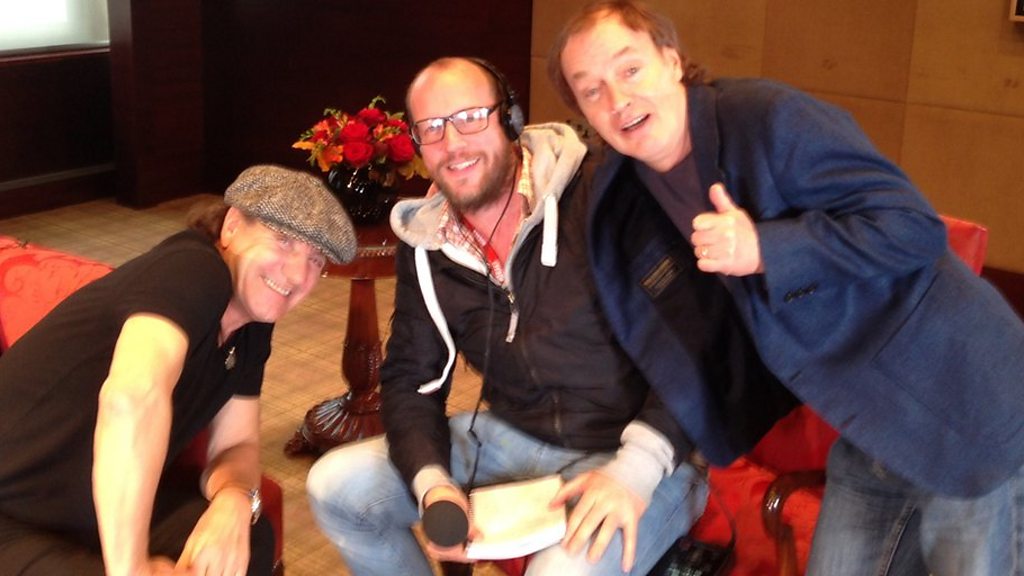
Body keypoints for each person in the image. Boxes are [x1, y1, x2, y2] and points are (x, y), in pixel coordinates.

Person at [548, 1, 1024, 574]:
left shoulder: (767, 117)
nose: (618, 99)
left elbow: (912, 228)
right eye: (591, 90)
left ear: (672, 61)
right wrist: (640, 463)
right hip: (868, 427)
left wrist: (765, 249)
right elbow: (699, 337)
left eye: (630, 69)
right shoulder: (632, 196)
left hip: (968, 408)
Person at [305, 57, 710, 576]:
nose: (453, 143)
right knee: (336, 486)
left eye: (470, 117)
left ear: (511, 119)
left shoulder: (604, 195)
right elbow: (410, 379)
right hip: (507, 437)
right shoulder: (427, 243)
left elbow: (693, 346)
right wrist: (433, 485)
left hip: (637, 453)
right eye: (432, 128)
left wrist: (633, 473)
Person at [0, 165, 356, 576]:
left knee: (244, 540)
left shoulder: (252, 324)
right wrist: (130, 568)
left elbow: (237, 444)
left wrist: (235, 500)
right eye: (283, 239)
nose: (297, 274)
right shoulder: (192, 269)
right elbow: (132, 397)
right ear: (232, 227)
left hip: (87, 509)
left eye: (315, 260)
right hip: (12, 510)